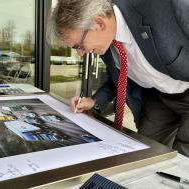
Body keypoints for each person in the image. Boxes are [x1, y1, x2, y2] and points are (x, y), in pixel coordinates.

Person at [47, 0, 189, 156]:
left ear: (99, 23)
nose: (80, 53)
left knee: (182, 162)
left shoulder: (167, 6)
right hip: (159, 97)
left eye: (78, 46)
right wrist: (95, 101)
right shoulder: (106, 42)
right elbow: (119, 78)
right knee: (145, 153)